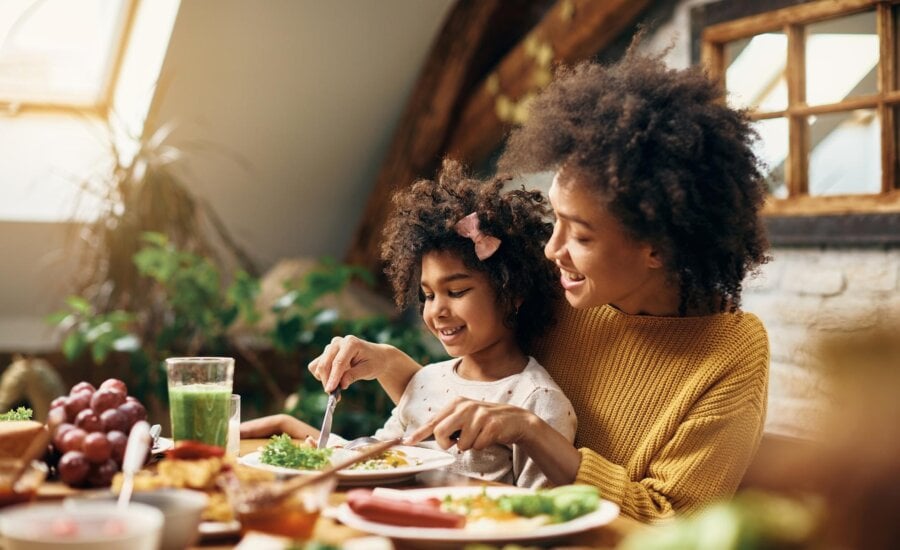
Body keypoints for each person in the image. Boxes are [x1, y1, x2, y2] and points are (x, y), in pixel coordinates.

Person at [307, 47, 770, 522]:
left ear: (658, 246)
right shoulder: (565, 289)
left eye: (582, 234)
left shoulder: (729, 354)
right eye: (556, 221)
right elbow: (479, 395)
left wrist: (533, 433)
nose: (553, 251)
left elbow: (668, 523)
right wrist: (387, 363)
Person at [243, 160, 576, 488]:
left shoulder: (535, 399)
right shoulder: (425, 380)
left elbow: (544, 513)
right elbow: (371, 461)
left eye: (456, 291)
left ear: (512, 292)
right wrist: (293, 429)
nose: (437, 311)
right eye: (428, 295)